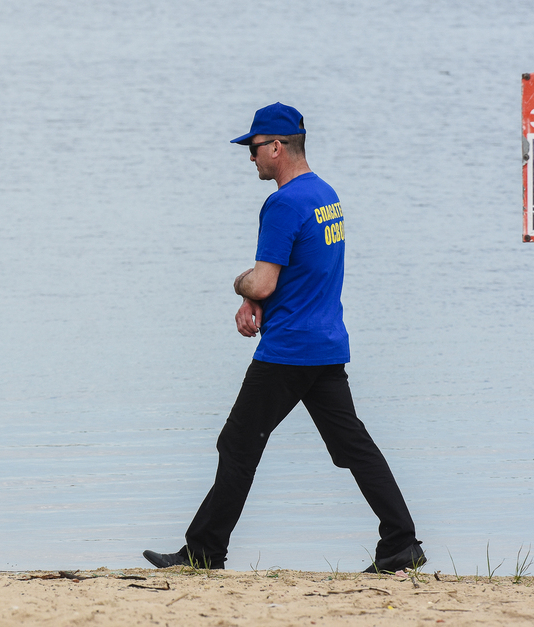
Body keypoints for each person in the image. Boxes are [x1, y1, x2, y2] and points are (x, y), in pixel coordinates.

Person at [143, 103, 424, 573]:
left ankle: (204, 552)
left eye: (254, 147)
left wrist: (241, 286)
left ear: (276, 147)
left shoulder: (283, 203)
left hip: (289, 350)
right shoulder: (325, 195)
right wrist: (257, 298)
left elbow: (264, 281)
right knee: (353, 446)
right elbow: (301, 274)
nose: (250, 157)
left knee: (237, 444)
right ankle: (402, 542)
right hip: (325, 343)